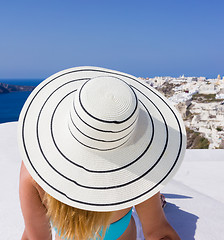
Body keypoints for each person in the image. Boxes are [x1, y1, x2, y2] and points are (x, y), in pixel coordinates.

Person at [18, 67, 186, 240]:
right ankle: (157, 201)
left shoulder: (34, 174)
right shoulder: (139, 174)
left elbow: (36, 237)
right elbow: (158, 231)